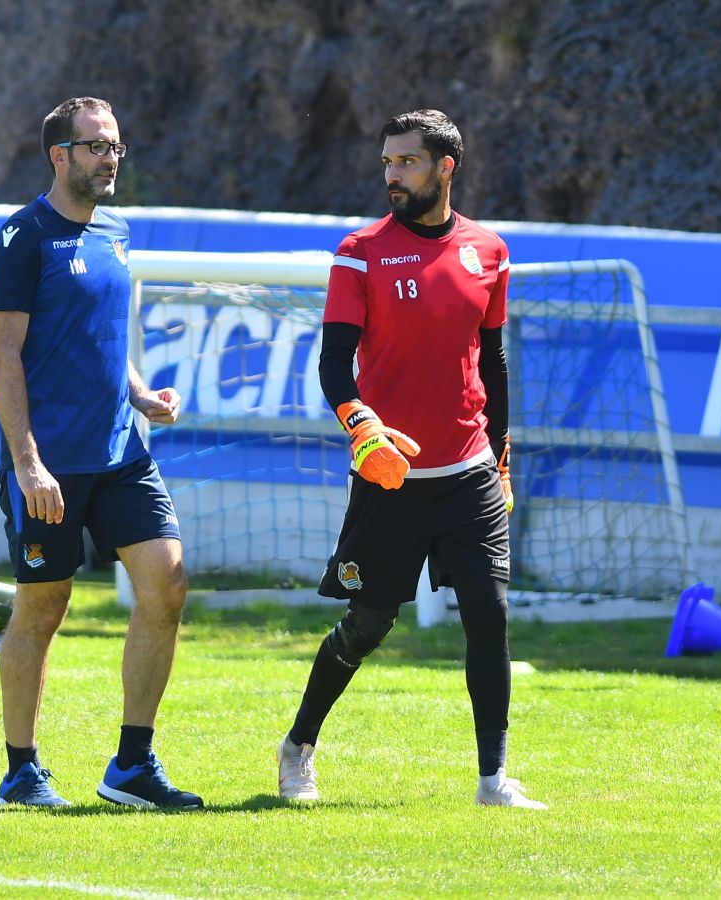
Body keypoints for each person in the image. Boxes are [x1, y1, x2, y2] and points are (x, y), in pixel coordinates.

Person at [274, 109, 544, 809]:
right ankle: (299, 745)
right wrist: (363, 428)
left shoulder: (489, 251)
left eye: (406, 163)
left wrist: (503, 457)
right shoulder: (360, 250)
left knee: (489, 614)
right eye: (387, 163)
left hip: (471, 472)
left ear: (444, 167)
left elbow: (494, 360)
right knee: (369, 624)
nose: (391, 175)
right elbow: (335, 363)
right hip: (388, 476)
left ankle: (493, 780)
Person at [0, 97, 200, 810]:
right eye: (96, 147)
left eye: (115, 147)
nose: (110, 159)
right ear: (60, 155)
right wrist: (27, 463)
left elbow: (101, 337)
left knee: (167, 584)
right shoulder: (22, 236)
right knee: (42, 610)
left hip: (121, 453)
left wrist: (140, 394)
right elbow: (4, 354)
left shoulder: (117, 230)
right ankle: (21, 773)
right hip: (49, 463)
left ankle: (131, 766)